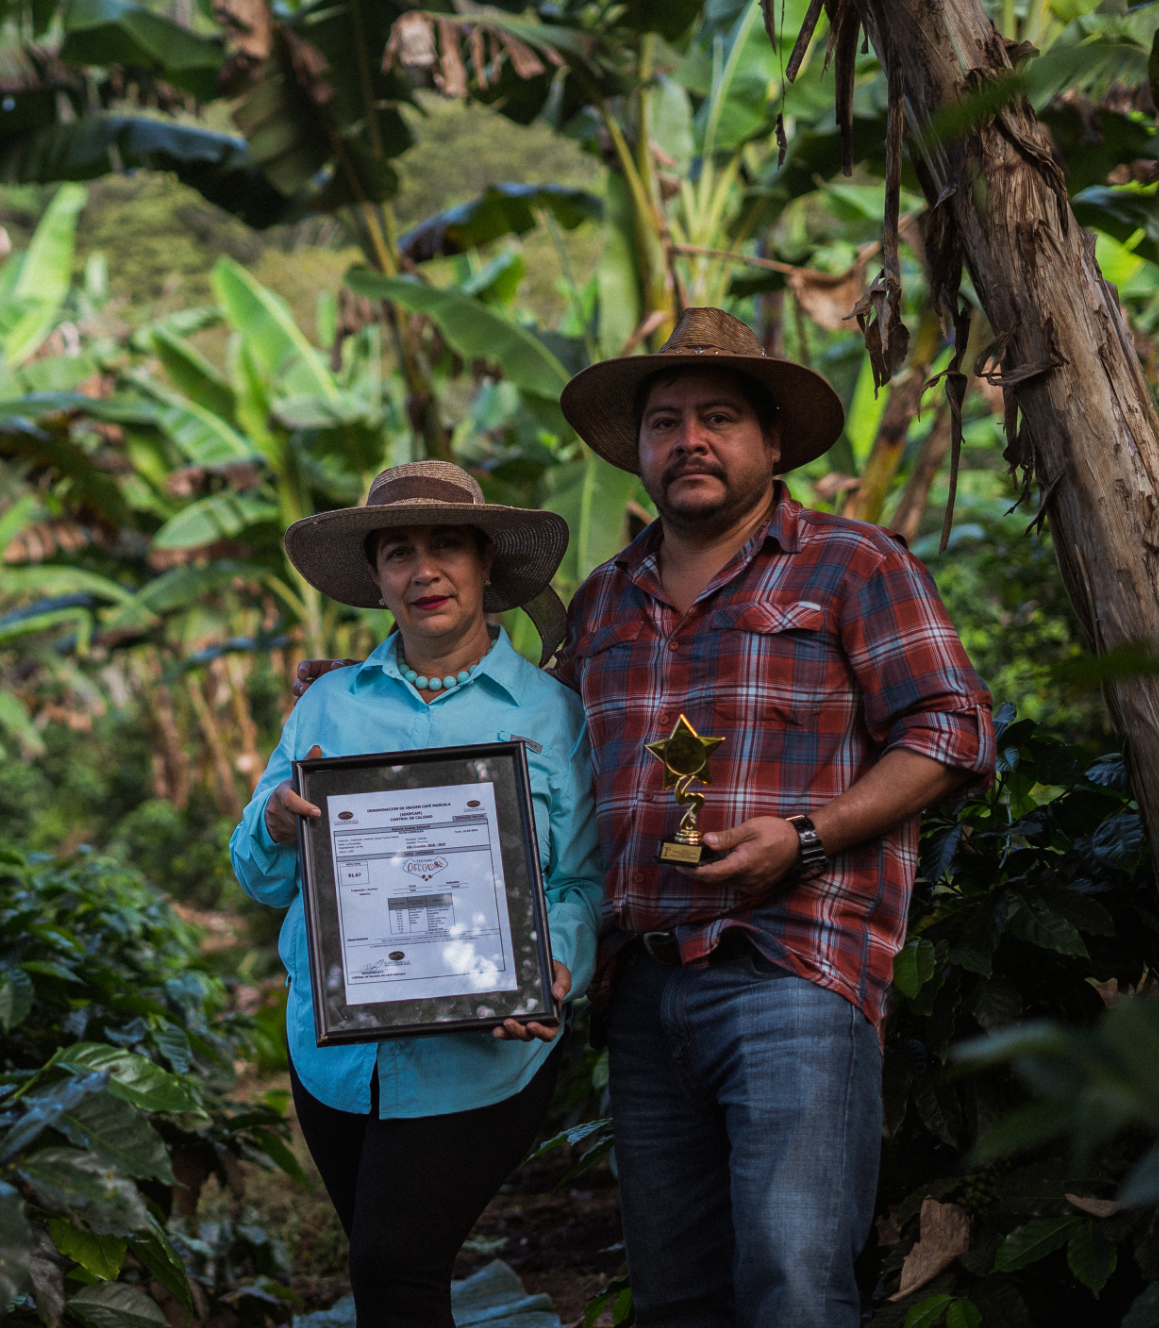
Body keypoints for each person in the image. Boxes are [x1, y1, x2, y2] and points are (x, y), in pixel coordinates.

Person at [295, 310, 995, 1326]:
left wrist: (805, 835)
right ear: (636, 451)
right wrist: (356, 698)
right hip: (643, 987)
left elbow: (954, 726)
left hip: (791, 965)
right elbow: (500, 757)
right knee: (675, 1292)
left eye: (717, 417)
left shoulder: (848, 564)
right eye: (663, 422)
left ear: (771, 441)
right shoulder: (605, 600)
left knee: (793, 1278)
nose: (688, 440)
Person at [231, 461, 603, 1328]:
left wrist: (554, 963)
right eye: (398, 551)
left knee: (393, 1261)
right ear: (377, 577)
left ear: (484, 566)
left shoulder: (553, 716)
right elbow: (259, 877)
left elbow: (585, 880)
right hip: (334, 1056)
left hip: (482, 1054)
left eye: (445, 546)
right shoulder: (326, 706)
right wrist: (278, 827)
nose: (423, 570)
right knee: (392, 1279)